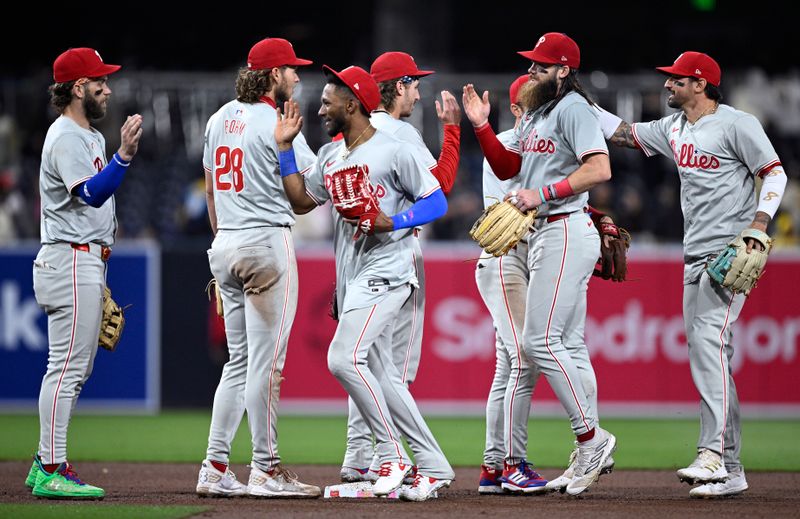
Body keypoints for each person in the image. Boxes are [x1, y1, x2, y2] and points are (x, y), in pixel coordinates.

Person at [597, 51, 787, 498]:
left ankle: (712, 454)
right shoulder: (673, 128)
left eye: (676, 80)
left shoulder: (738, 124)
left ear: (700, 83)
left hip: (728, 252)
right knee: (711, 354)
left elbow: (774, 174)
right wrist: (574, 99)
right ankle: (732, 469)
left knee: (707, 342)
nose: (667, 85)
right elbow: (621, 133)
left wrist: (759, 223)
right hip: (693, 255)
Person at [275, 64, 453, 501]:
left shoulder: (394, 149)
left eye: (328, 100)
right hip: (355, 276)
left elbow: (437, 200)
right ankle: (433, 464)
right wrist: (284, 150)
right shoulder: (334, 155)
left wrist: (393, 219)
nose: (320, 108)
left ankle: (392, 455)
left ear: (352, 104)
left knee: (343, 358)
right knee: (382, 372)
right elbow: (301, 201)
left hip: (389, 269)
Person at [462, 32, 616, 496]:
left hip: (564, 226)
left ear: (563, 70)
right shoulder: (537, 114)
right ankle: (585, 443)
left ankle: (592, 439)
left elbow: (599, 168)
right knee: (549, 343)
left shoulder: (572, 108)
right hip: (547, 230)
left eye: (540, 65)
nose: (530, 71)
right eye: (531, 64)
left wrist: (545, 194)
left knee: (541, 342)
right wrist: (482, 128)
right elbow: (510, 169)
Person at [196, 37, 320, 499]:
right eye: (292, 70)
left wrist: (222, 237)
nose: (297, 77)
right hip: (266, 241)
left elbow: (210, 189)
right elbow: (306, 193)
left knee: (239, 362)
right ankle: (266, 469)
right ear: (272, 76)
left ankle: (214, 465)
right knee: (267, 366)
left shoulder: (218, 118)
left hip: (224, 242)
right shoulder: (276, 119)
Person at [339, 50, 462, 484]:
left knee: (362, 362)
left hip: (354, 261)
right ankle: (402, 459)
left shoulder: (352, 137)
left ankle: (360, 454)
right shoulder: (398, 134)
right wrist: (452, 133)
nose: (418, 91)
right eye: (413, 83)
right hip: (396, 255)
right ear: (396, 88)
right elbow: (440, 188)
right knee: (392, 369)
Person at [26, 47, 143, 499]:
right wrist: (126, 156)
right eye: (100, 81)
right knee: (66, 369)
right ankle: (53, 467)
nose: (108, 88)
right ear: (78, 87)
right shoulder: (67, 137)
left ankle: (42, 461)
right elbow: (91, 194)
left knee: (77, 367)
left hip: (85, 259)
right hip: (70, 259)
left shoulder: (88, 135)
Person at [475, 75, 546, 494]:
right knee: (524, 356)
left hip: (524, 262)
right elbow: (504, 218)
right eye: (536, 106)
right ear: (517, 110)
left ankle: (492, 468)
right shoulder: (503, 144)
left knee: (509, 366)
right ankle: (512, 464)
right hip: (503, 260)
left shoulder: (552, 145)